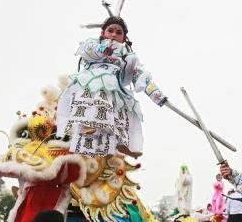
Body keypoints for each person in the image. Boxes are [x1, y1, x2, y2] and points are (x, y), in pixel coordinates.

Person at [57, 15, 167, 158]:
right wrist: (102, 49)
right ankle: (86, 126)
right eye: (110, 30)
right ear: (103, 33)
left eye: (118, 32)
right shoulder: (93, 43)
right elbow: (88, 50)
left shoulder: (128, 55)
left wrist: (156, 95)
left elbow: (139, 74)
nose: (114, 34)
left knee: (123, 111)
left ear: (124, 38)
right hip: (93, 80)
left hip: (115, 86)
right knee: (98, 99)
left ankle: (122, 142)